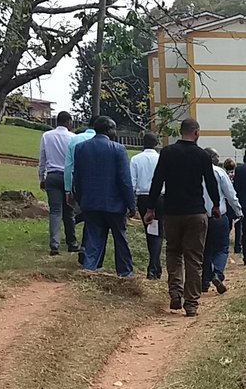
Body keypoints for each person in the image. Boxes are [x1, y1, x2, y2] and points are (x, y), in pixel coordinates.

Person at [143, 119, 221, 317]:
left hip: (172, 212)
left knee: (174, 252)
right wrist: (216, 205)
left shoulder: (168, 153)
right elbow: (211, 182)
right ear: (196, 133)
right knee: (194, 258)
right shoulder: (202, 155)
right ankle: (191, 303)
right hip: (196, 212)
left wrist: (151, 208)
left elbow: (157, 180)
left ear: (181, 132)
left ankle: (175, 293)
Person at [72, 117, 136, 277]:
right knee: (120, 239)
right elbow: (124, 180)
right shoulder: (118, 149)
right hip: (115, 204)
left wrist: (80, 199)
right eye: (114, 129)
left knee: (93, 238)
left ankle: (89, 269)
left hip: (90, 202)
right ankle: (125, 273)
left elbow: (77, 177)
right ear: (109, 130)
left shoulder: (81, 148)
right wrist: (131, 205)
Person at [201, 148, 242, 294]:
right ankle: (217, 273)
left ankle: (204, 282)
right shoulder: (219, 172)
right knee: (222, 248)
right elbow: (230, 194)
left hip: (200, 217)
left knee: (205, 250)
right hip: (218, 216)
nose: (218, 159)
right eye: (216, 156)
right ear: (211, 158)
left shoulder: (195, 172)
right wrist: (238, 211)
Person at [38, 111, 79, 256]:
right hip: (68, 177)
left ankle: (54, 245)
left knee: (55, 211)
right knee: (69, 211)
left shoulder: (47, 136)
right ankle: (72, 243)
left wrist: (41, 178)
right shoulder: (73, 138)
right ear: (68, 122)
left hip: (52, 175)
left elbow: (42, 159)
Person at [64, 116, 98, 265]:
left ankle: (83, 247)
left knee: (84, 214)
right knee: (92, 219)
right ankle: (86, 248)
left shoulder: (75, 140)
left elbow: (69, 167)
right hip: (97, 187)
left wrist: (68, 189)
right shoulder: (105, 142)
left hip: (79, 185)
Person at [130, 132, 163, 279]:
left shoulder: (136, 159)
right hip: (160, 197)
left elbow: (132, 182)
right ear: (156, 143)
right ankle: (154, 266)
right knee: (158, 231)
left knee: (150, 231)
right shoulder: (161, 158)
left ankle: (154, 265)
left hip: (143, 197)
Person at [224, 158, 242, 255]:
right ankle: (238, 246)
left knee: (228, 227)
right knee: (239, 226)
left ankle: (225, 244)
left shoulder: (224, 175)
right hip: (236, 203)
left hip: (227, 204)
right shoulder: (237, 176)